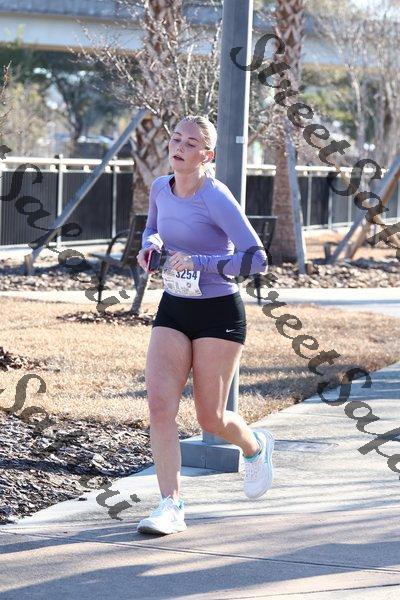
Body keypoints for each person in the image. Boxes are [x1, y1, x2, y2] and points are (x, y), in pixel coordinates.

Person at [136, 115, 274, 535]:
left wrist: (201, 262)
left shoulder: (215, 196)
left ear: (207, 156)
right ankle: (171, 505)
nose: (180, 147)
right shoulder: (160, 188)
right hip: (174, 306)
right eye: (176, 138)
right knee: (160, 405)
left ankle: (255, 447)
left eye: (191, 143)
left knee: (210, 418)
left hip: (218, 312)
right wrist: (150, 246)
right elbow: (152, 228)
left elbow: (256, 258)